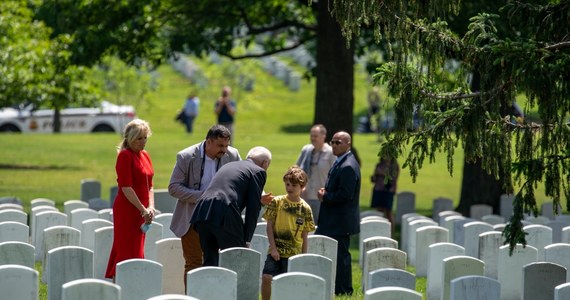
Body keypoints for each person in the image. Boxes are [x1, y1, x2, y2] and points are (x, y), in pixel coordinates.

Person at [168, 125, 240, 290]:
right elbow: (173, 187)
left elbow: (243, 177)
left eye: (226, 145)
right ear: (208, 141)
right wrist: (202, 196)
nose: (224, 150)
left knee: (219, 263)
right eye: (220, 146)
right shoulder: (186, 157)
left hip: (221, 219)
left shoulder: (232, 155)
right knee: (194, 263)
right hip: (192, 218)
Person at [190, 146, 273, 266]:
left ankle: (211, 284)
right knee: (236, 260)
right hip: (225, 210)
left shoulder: (229, 165)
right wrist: (246, 240)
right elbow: (253, 208)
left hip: (203, 210)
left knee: (210, 260)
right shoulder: (258, 171)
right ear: (265, 163)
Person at [105, 119, 155, 280]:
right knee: (126, 250)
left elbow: (150, 185)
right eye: (139, 138)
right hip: (128, 210)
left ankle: (134, 284)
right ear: (130, 138)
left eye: (145, 137)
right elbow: (126, 187)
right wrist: (143, 209)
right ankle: (121, 284)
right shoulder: (125, 156)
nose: (143, 142)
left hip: (143, 212)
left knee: (137, 248)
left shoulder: (145, 155)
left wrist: (151, 207)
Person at [261, 165, 316, 300]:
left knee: (287, 284)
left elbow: (305, 235)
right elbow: (269, 226)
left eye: (294, 185)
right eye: (287, 184)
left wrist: (304, 256)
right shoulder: (277, 202)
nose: (289, 188)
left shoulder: (305, 209)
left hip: (293, 253)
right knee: (267, 277)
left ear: (302, 187)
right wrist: (273, 248)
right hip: (276, 250)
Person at [316, 131, 360, 296]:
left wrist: (325, 196)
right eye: (332, 142)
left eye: (338, 142)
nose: (334, 145)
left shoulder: (348, 166)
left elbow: (345, 194)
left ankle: (344, 291)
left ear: (348, 144)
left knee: (341, 258)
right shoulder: (340, 161)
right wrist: (326, 191)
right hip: (332, 220)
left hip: (340, 222)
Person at [295, 124, 336, 223]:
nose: (313, 138)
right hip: (304, 197)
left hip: (321, 198)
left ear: (324, 136)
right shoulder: (306, 150)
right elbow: (296, 169)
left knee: (318, 225)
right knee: (301, 225)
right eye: (311, 136)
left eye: (315, 136)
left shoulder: (330, 152)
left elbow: (335, 175)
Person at [370, 156, 399, 229]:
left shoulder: (394, 166)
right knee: (379, 211)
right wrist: (373, 177)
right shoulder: (379, 165)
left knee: (388, 212)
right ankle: (379, 228)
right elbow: (375, 178)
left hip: (388, 190)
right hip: (378, 189)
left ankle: (391, 231)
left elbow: (393, 179)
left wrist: (382, 173)